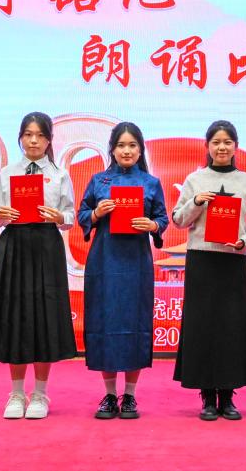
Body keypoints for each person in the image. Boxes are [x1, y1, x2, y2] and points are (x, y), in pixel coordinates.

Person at [0, 112, 77, 420]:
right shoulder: (7, 172)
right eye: (28, 135)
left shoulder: (60, 175)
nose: (33, 141)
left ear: (49, 140)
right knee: (16, 317)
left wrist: (58, 217)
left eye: (40, 135)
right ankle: (16, 393)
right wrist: (0, 214)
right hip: (14, 246)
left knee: (44, 318)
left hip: (46, 246)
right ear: (20, 138)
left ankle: (40, 393)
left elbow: (70, 216)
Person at [171, 120, 246, 420]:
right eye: (216, 142)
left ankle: (227, 396)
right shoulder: (195, 179)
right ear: (207, 146)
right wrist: (196, 201)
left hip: (232, 260)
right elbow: (178, 219)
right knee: (202, 327)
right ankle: (207, 397)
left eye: (227, 142)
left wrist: (245, 242)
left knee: (231, 327)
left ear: (236, 146)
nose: (222, 147)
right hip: (201, 260)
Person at [78, 122, 168, 420]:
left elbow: (162, 218)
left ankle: (129, 395)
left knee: (134, 323)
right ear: (112, 149)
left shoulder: (151, 182)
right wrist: (96, 213)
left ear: (140, 150)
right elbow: (82, 214)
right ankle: (108, 395)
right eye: (121, 145)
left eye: (132, 145)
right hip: (104, 261)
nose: (126, 151)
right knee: (104, 322)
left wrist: (152, 225)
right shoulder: (98, 180)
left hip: (136, 264)